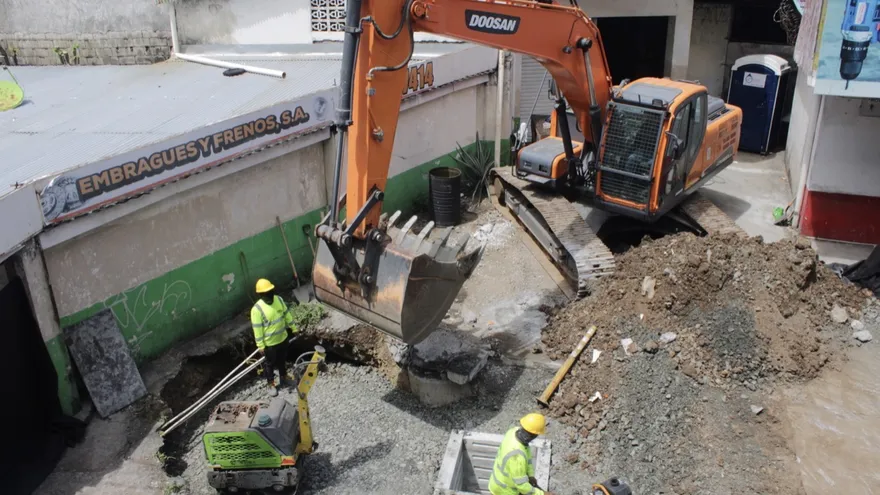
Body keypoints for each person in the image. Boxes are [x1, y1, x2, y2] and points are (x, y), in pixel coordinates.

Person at [251, 278, 299, 397]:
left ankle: (283, 377)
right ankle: (271, 383)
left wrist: (294, 328)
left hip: (282, 339)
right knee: (270, 364)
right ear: (261, 294)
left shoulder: (279, 300)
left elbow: (286, 314)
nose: (269, 294)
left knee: (282, 360)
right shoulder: (257, 310)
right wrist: (260, 345)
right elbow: (257, 329)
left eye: (270, 291)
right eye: (266, 292)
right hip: (270, 344)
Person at [489, 413, 554, 495]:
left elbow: (527, 455)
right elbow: (521, 485)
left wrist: (530, 475)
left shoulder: (513, 432)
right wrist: (542, 494)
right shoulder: (517, 456)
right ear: (533, 435)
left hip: (498, 482)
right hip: (504, 491)